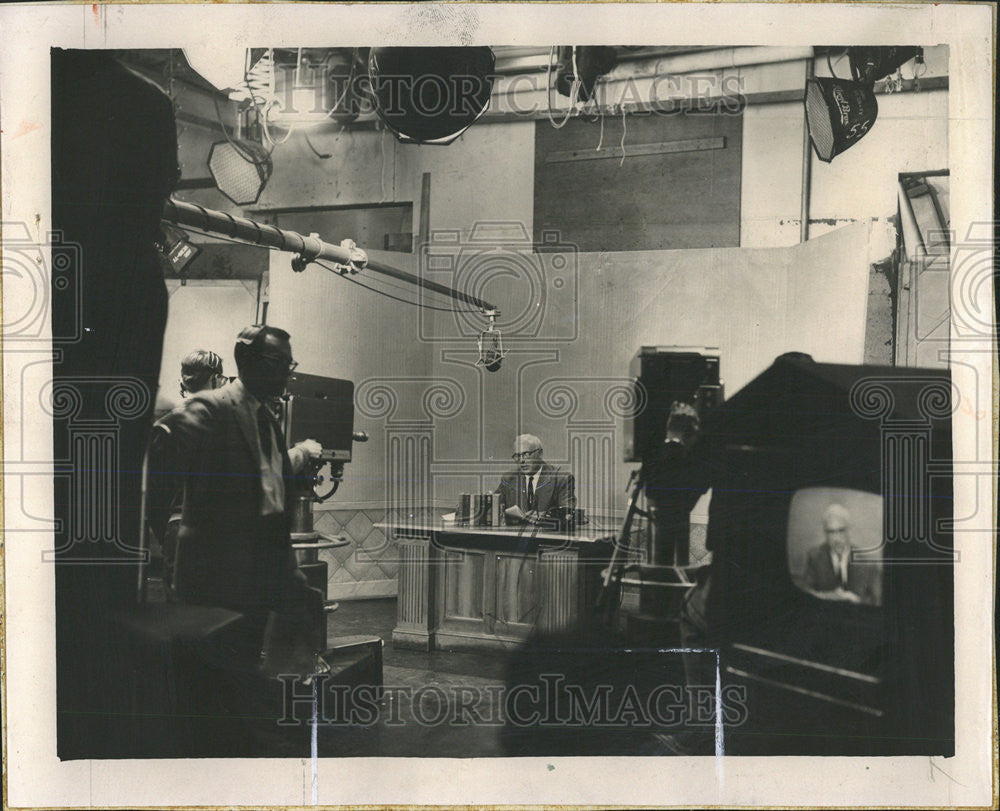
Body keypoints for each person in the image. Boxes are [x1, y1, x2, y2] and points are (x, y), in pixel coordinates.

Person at [168, 325, 325, 665]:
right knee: (209, 683)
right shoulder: (210, 408)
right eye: (277, 361)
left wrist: (288, 571)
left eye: (289, 363)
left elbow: (271, 497)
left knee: (244, 671)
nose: (286, 371)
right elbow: (157, 463)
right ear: (245, 360)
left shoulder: (265, 417)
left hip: (257, 578)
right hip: (214, 582)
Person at [147, 350, 227, 594]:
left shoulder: (166, 426)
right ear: (215, 379)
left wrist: (168, 533)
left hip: (177, 531)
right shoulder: (224, 426)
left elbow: (153, 493)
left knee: (182, 616)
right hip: (215, 532)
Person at [803, 503, 879, 605]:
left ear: (849, 530)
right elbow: (805, 594)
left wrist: (857, 601)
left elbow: (877, 601)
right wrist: (830, 597)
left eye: (841, 530)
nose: (836, 538)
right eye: (831, 532)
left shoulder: (868, 563)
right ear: (825, 533)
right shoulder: (814, 557)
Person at [495, 434, 576, 523]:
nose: (521, 460)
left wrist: (546, 515)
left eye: (526, 454)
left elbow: (567, 513)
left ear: (540, 453)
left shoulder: (561, 478)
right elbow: (493, 507)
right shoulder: (508, 479)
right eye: (517, 455)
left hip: (548, 535)